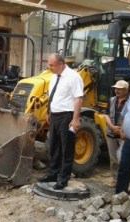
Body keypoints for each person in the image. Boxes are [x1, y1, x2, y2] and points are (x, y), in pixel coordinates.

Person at [38, 53, 84, 190]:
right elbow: (54, 95)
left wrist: (75, 119)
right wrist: (49, 112)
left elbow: (78, 99)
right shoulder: (54, 76)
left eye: (51, 65)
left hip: (67, 116)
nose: (49, 67)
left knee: (66, 149)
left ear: (60, 64)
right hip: (55, 115)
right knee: (54, 147)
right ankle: (53, 173)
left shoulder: (73, 77)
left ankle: (63, 178)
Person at [104, 80, 129, 188]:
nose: (117, 91)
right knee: (113, 158)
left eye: (119, 89)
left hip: (124, 135)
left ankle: (127, 182)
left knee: (124, 159)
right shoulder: (112, 100)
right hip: (111, 133)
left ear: (126, 90)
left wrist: (121, 129)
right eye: (116, 88)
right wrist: (111, 126)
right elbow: (106, 114)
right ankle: (115, 179)